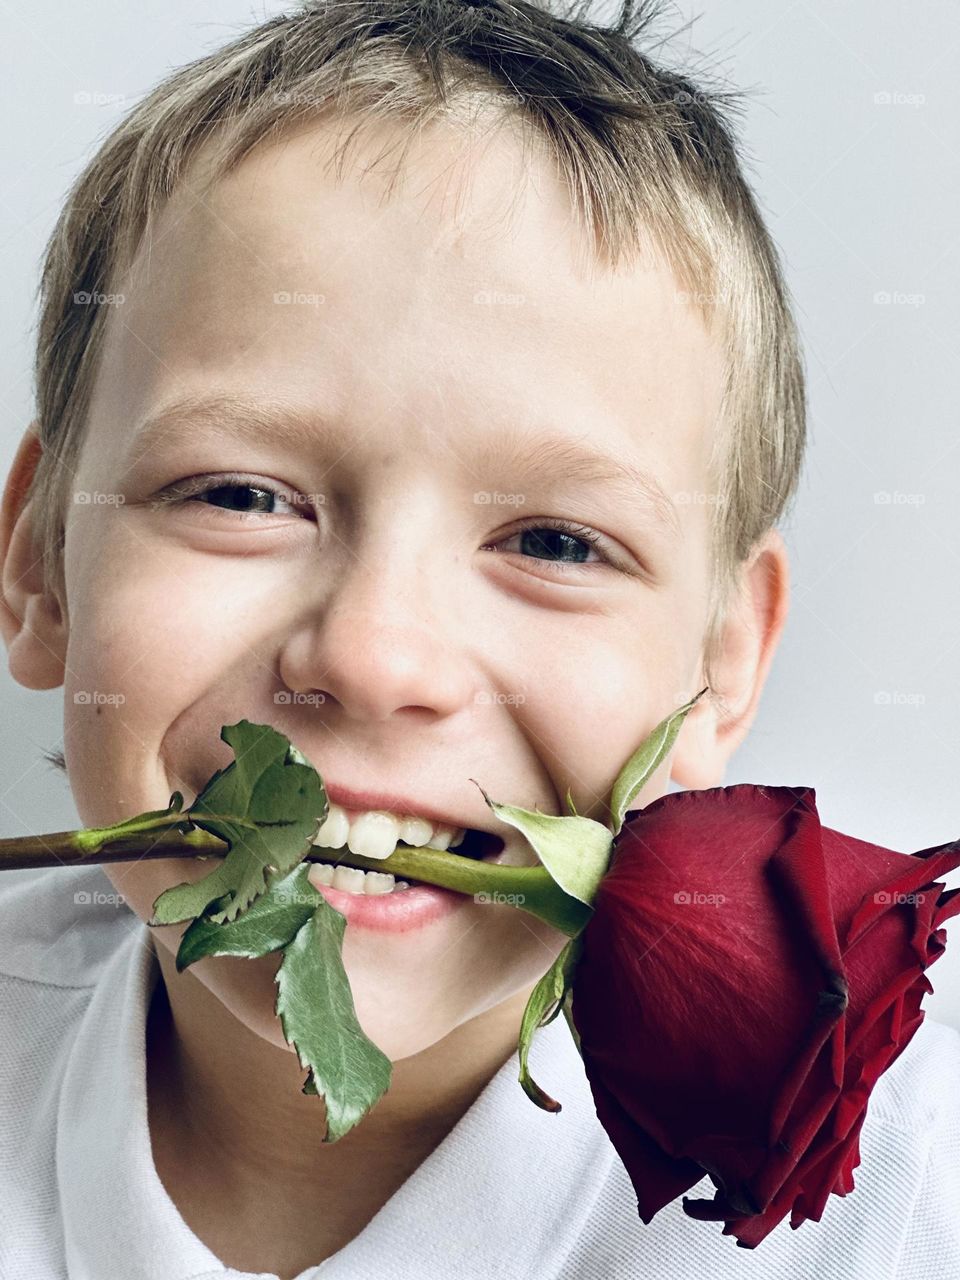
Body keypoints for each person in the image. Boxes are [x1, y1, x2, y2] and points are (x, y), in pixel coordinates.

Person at [1, 1, 957, 1277]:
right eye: (237, 494)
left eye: (556, 542)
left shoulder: (912, 1208)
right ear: (37, 565)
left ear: (722, 664)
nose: (375, 656)